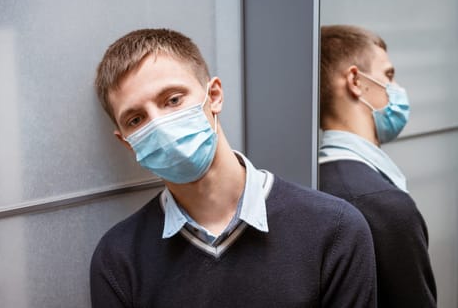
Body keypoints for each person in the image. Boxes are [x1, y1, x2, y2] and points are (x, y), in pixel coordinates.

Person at [90, 28, 376, 307]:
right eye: (136, 120)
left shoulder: (334, 229)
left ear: (213, 96)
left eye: (173, 100)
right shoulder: (118, 259)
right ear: (127, 142)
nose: (160, 126)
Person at [318, 25, 437, 308]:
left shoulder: (309, 181)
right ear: (356, 81)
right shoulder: (383, 204)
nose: (397, 90)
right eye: (389, 76)